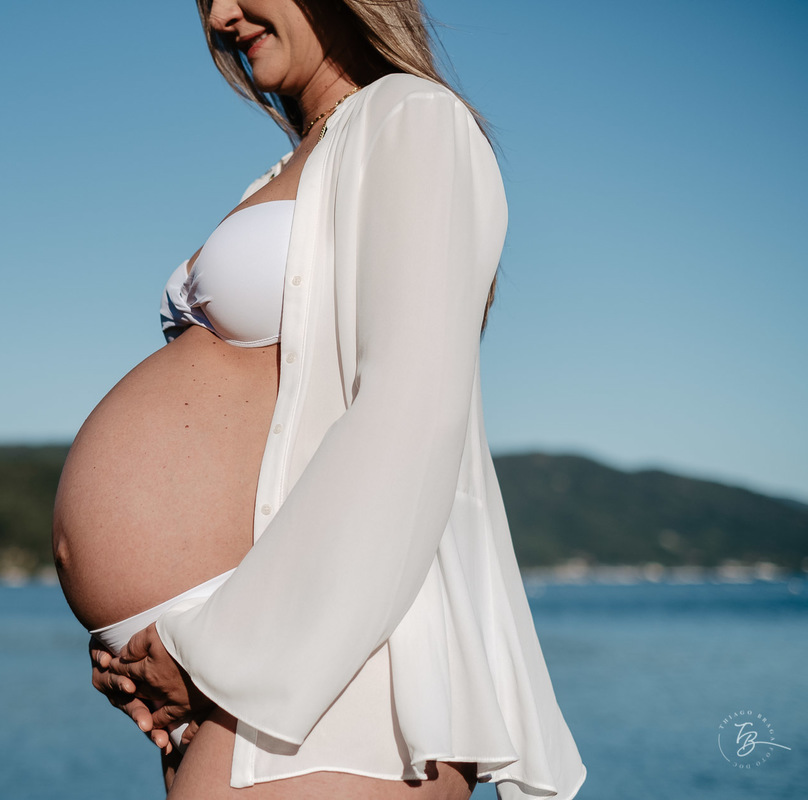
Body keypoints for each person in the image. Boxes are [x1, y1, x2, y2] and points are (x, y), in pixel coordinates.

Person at [53, 1, 588, 798]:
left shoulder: (413, 119)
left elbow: (411, 412)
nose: (223, 16)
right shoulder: (294, 163)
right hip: (242, 678)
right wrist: (139, 646)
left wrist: (215, 648)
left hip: (328, 675)